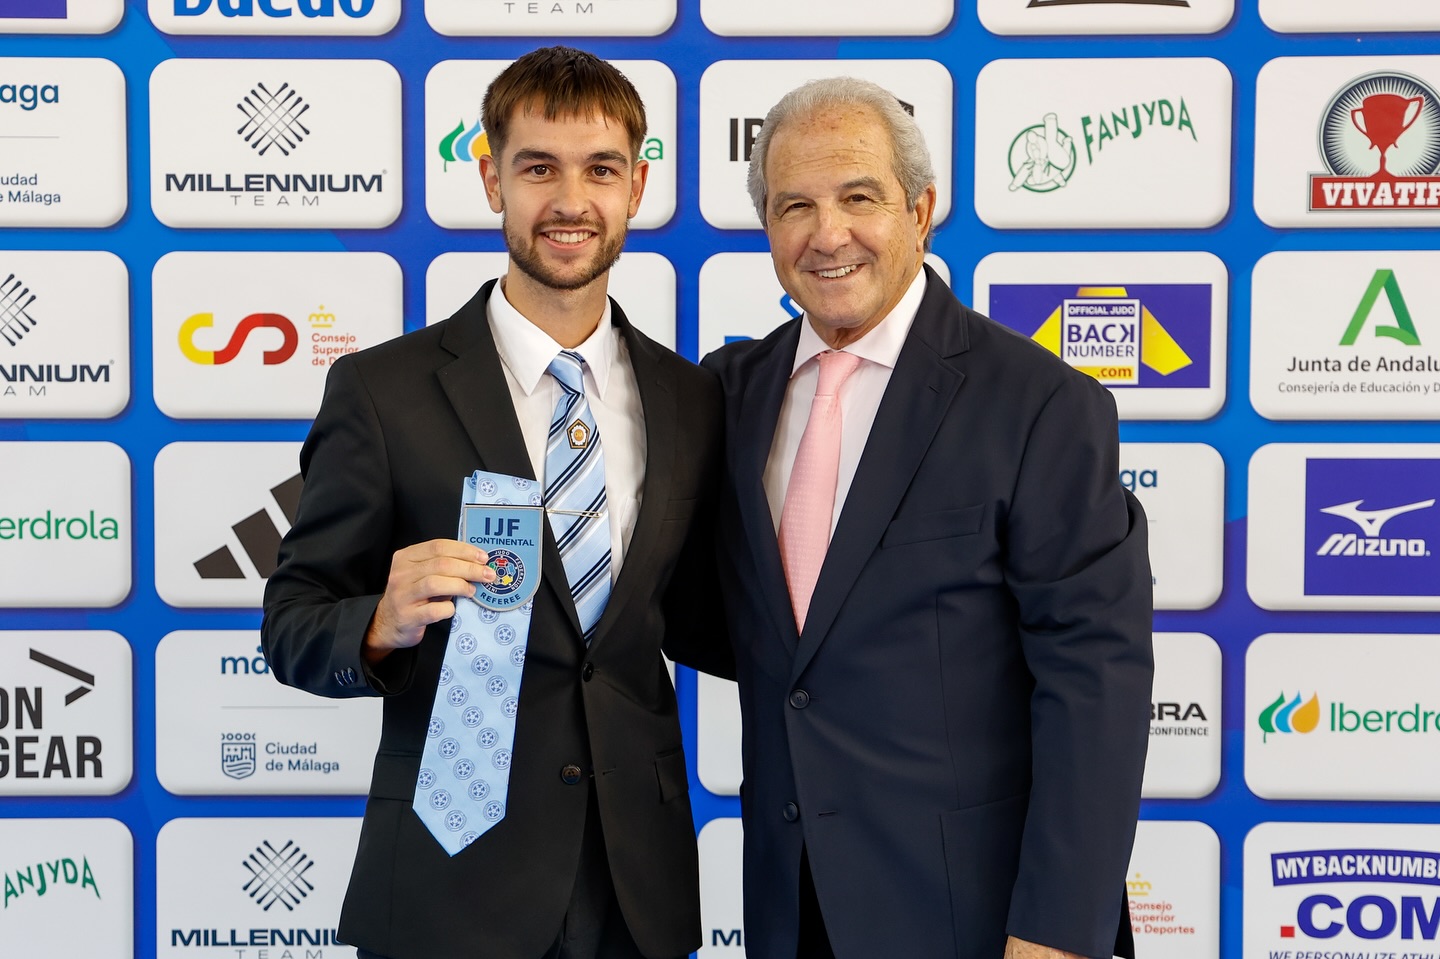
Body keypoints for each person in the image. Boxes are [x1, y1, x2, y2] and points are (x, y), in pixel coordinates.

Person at [262, 46, 726, 959]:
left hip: (638, 888)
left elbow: (709, 617)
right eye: (537, 167)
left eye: (600, 169)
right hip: (450, 883)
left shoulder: (691, 399)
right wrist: (378, 621)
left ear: (637, 187)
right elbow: (291, 624)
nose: (569, 200)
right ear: (490, 178)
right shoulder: (383, 392)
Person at [701, 77, 1153, 959]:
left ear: (922, 210)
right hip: (794, 910)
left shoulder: (1040, 404)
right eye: (795, 205)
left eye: (857, 197)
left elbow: (1096, 685)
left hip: (980, 919)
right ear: (767, 231)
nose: (827, 234)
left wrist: (1057, 933)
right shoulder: (729, 394)